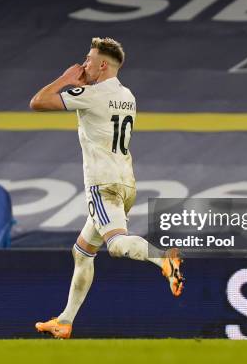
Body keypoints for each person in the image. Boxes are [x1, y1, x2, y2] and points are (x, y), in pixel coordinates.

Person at [29, 37, 184, 339]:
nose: (83, 64)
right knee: (82, 252)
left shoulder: (90, 94)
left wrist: (65, 78)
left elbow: (37, 102)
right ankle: (64, 320)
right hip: (125, 182)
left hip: (102, 186)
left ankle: (162, 257)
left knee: (116, 245)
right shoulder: (127, 96)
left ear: (102, 65)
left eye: (88, 60)